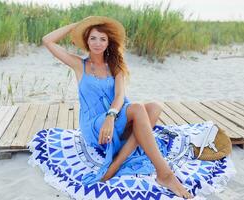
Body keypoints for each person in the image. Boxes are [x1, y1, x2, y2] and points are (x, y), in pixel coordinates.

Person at [42, 16, 193, 199]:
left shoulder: (115, 65)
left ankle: (115, 164)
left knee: (154, 107)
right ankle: (165, 174)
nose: (98, 43)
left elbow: (120, 96)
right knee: (138, 109)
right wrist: (78, 25)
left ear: (108, 43)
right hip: (94, 126)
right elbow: (47, 40)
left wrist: (111, 116)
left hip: (113, 117)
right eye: (93, 38)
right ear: (87, 41)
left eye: (102, 39)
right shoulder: (79, 65)